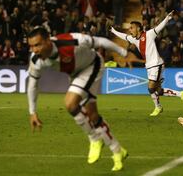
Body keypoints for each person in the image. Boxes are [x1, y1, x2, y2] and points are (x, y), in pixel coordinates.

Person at [27, 27, 128, 171]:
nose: (34, 50)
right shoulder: (36, 59)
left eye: (37, 45)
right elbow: (32, 85)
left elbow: (101, 41)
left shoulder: (72, 41)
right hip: (76, 74)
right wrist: (33, 112)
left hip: (93, 66)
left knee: (70, 103)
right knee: (92, 116)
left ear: (48, 41)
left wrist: (124, 53)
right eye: (31, 46)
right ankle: (118, 151)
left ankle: (94, 138)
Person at [110, 10, 183, 117]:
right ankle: (181, 94)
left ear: (138, 28)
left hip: (156, 64)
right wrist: (113, 31)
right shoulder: (134, 39)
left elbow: (159, 28)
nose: (130, 30)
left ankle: (158, 107)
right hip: (150, 66)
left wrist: (167, 18)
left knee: (151, 88)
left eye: (131, 27)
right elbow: (124, 36)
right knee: (159, 91)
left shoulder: (149, 34)